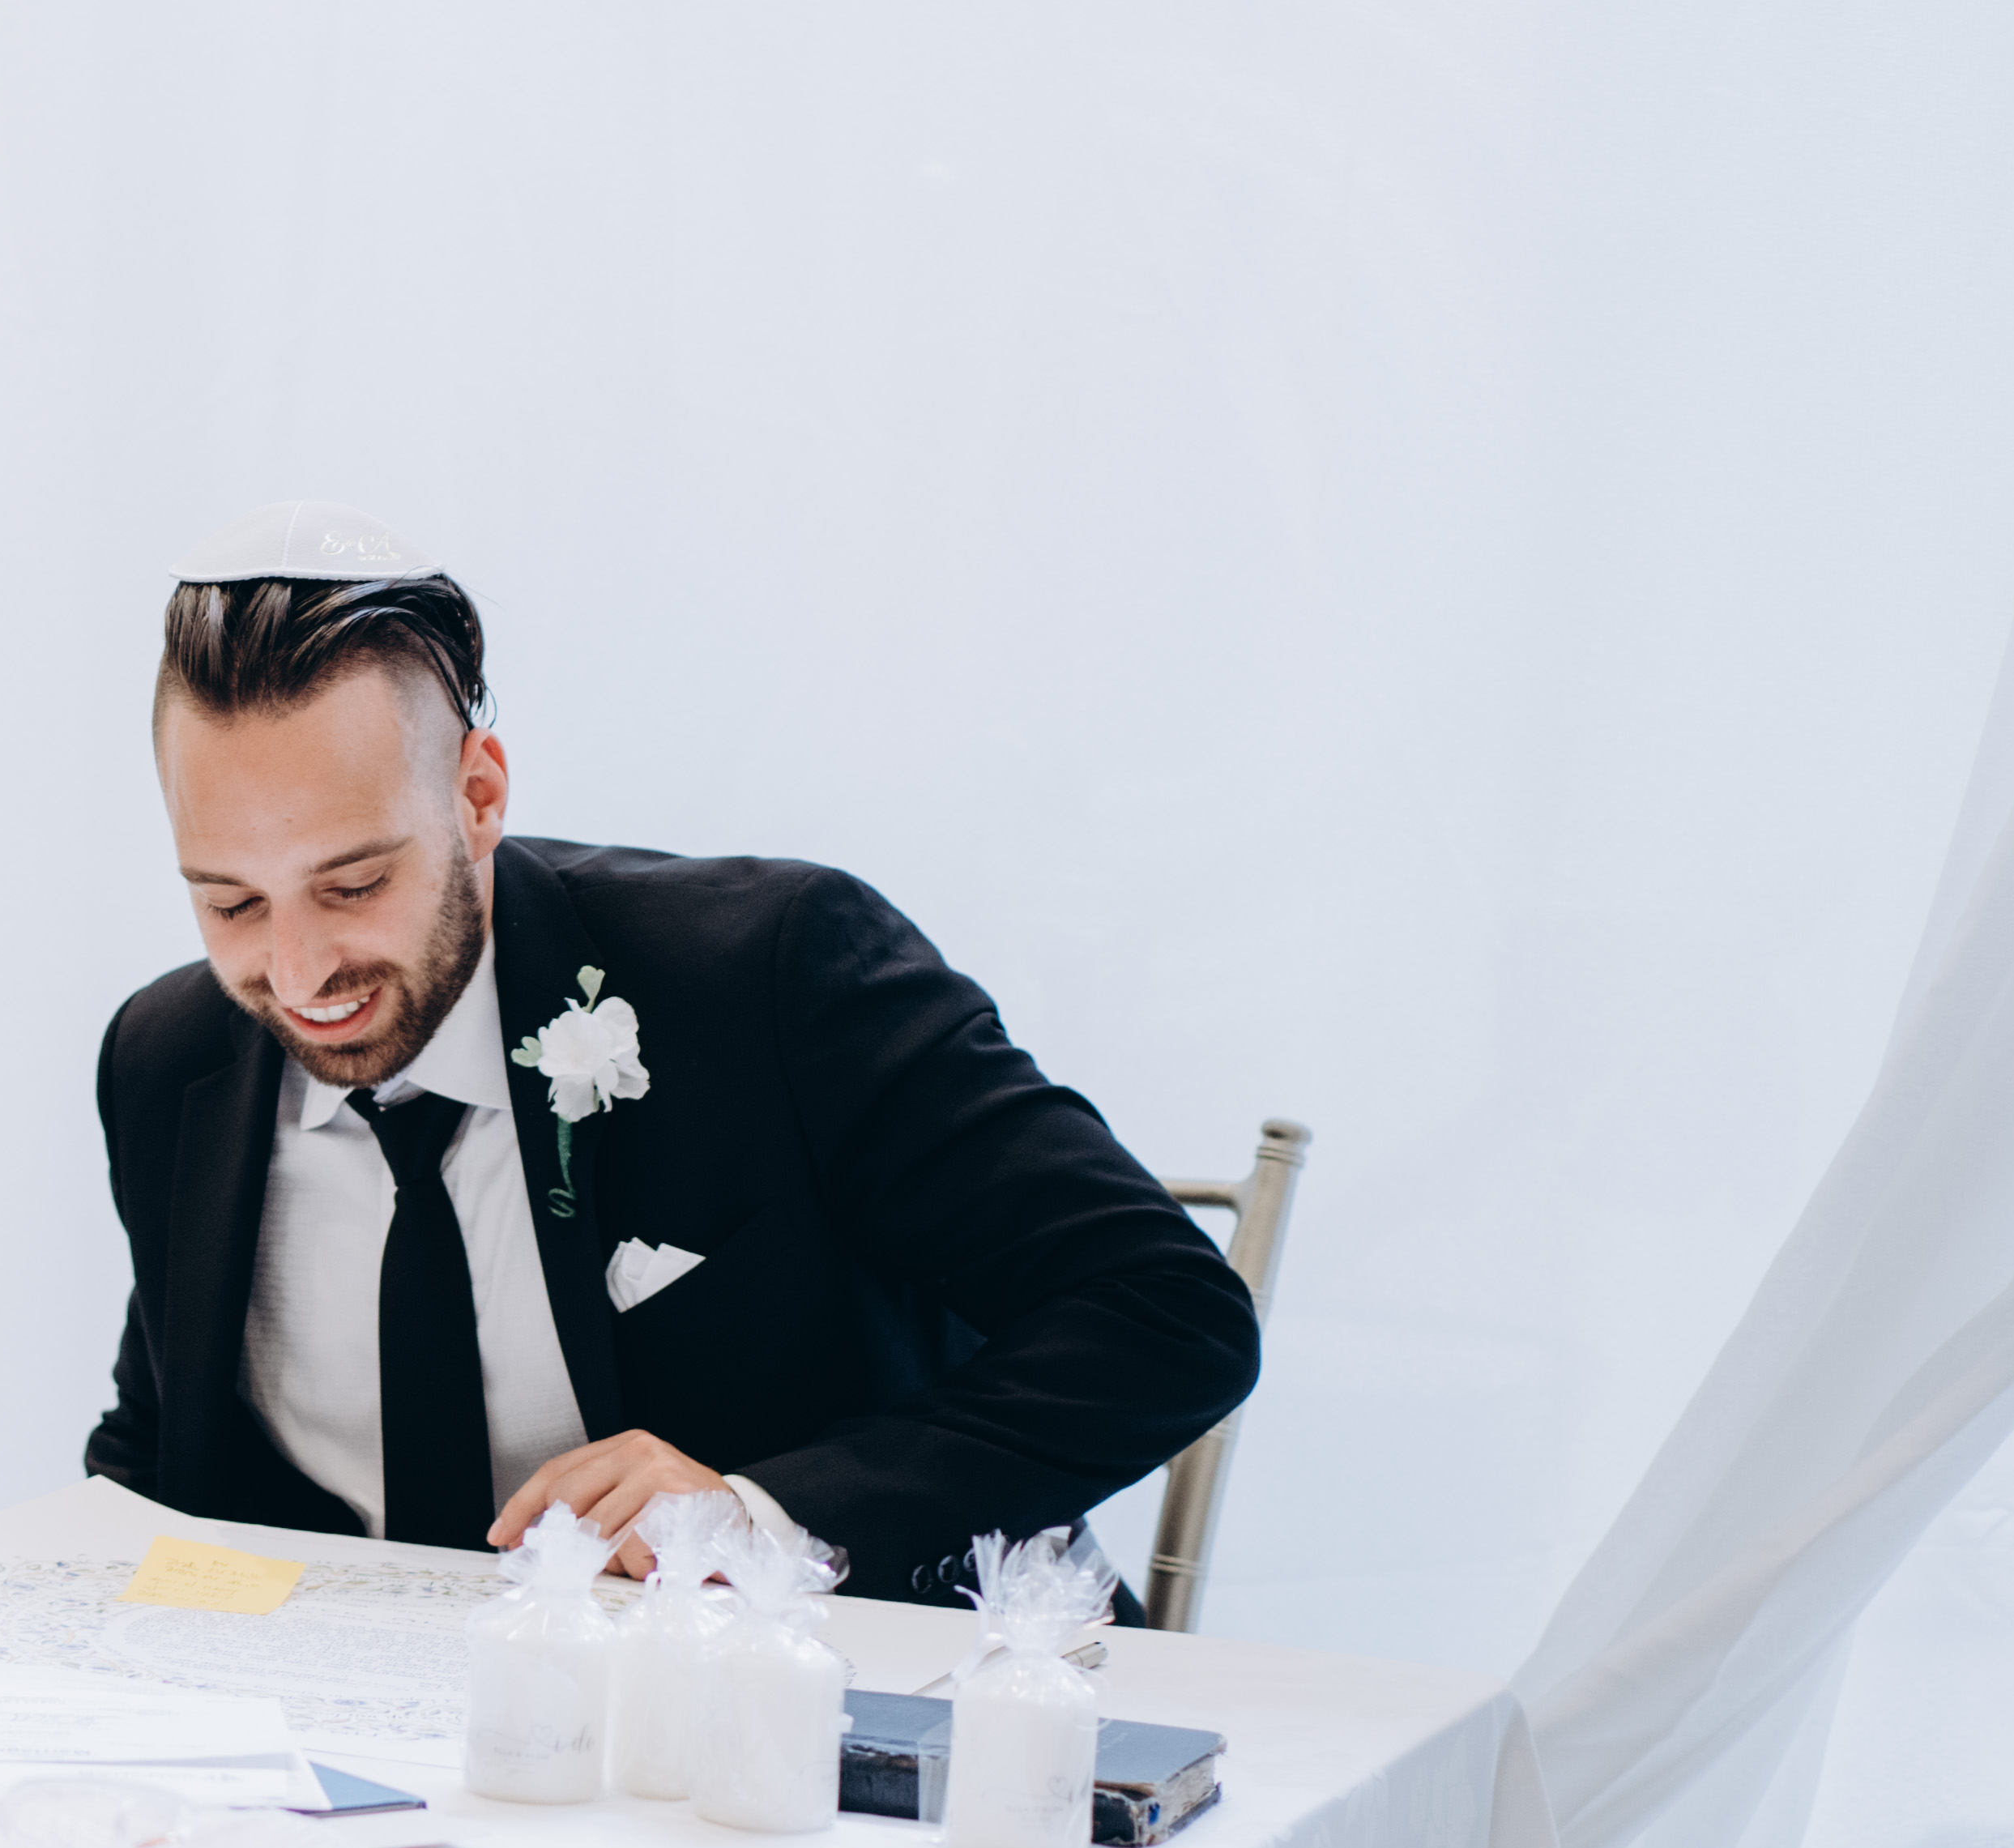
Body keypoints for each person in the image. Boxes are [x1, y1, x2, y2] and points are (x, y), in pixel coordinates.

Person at [86, 500, 1258, 1606]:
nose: (297, 975)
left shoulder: (772, 972)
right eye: (230, 903)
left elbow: (1166, 1313)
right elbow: (163, 1465)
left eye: (354, 885)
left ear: (478, 795)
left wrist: (758, 1516)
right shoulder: (166, 1061)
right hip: (366, 1726)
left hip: (834, 1706)